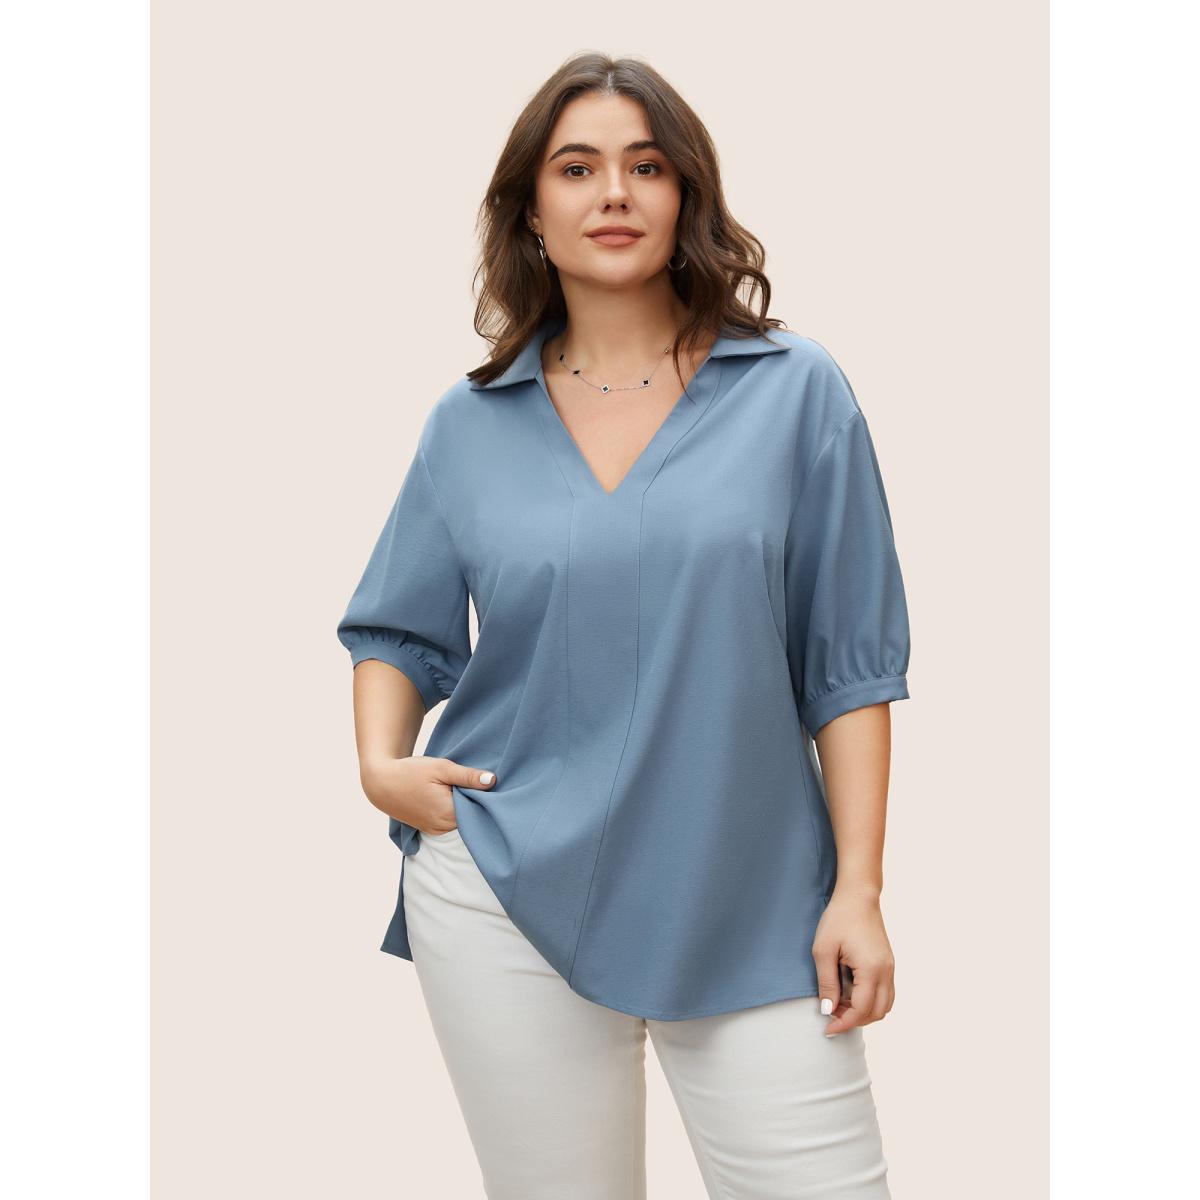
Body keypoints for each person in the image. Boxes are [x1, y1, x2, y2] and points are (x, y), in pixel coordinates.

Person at [336, 53, 911, 1200]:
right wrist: (379, 766)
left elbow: (849, 666)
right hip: (503, 890)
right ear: (530, 211)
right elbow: (396, 630)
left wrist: (859, 888)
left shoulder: (796, 391)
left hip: (753, 899)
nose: (614, 193)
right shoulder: (470, 422)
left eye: (646, 167)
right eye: (577, 168)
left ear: (686, 195)